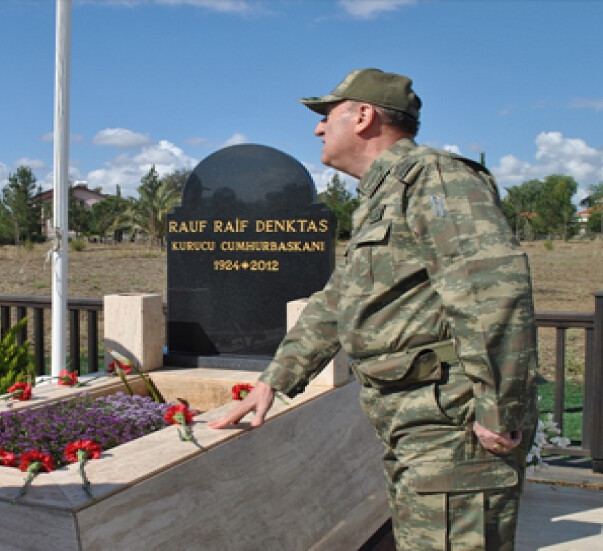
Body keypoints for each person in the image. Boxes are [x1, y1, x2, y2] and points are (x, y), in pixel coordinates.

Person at [210, 68, 538, 550]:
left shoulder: (434, 177)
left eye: (327, 116)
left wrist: (496, 408)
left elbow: (491, 294)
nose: (318, 129)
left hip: (452, 423)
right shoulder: (383, 195)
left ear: (363, 116)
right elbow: (338, 301)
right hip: (414, 419)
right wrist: (273, 382)